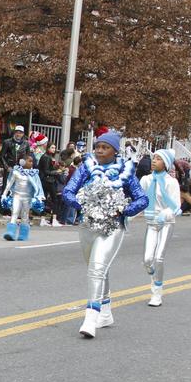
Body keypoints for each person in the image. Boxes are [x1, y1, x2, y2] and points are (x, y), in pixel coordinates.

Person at [62, 130, 148, 338]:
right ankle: (106, 311)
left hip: (112, 226)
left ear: (115, 151)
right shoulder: (86, 167)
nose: (99, 150)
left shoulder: (126, 171)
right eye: (98, 146)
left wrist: (122, 210)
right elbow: (68, 191)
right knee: (99, 267)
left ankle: (90, 318)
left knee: (97, 269)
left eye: (105, 147)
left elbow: (142, 199)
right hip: (87, 225)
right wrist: (83, 204)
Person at [140, 149, 180, 307]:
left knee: (158, 258)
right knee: (147, 260)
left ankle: (157, 292)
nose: (154, 161)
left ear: (166, 163)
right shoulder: (146, 180)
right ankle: (153, 276)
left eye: (158, 159)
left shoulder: (171, 182)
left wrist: (165, 214)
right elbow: (138, 199)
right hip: (151, 223)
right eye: (153, 158)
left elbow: (176, 206)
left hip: (166, 223)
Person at [2, 154, 43, 241]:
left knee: (25, 216)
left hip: (27, 198)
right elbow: (9, 184)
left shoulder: (33, 174)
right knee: (15, 213)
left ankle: (23, 235)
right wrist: (4, 194)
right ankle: (10, 233)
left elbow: (38, 186)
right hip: (16, 196)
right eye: (29, 161)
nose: (31, 163)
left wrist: (38, 197)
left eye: (32, 161)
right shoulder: (16, 172)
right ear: (22, 161)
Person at [38, 142, 62, 226]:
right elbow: (46, 171)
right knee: (54, 200)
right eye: (52, 147)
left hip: (45, 180)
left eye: (54, 148)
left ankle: (43, 219)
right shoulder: (46, 157)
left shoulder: (48, 157)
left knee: (44, 200)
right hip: (49, 181)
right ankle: (54, 219)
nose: (54, 149)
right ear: (48, 148)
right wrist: (57, 172)